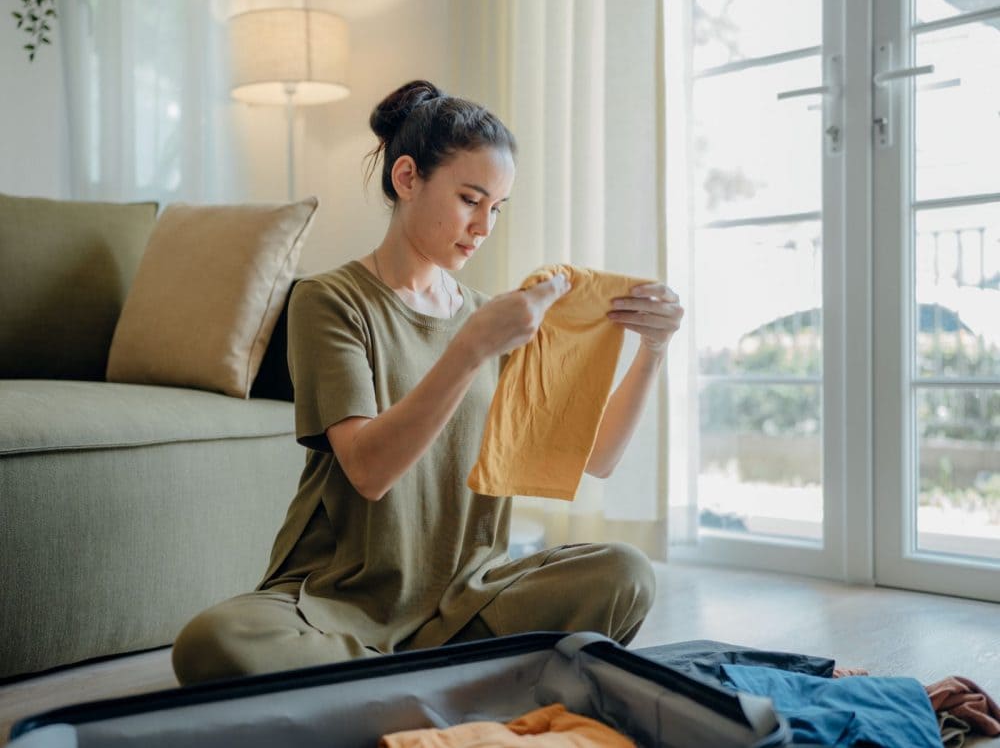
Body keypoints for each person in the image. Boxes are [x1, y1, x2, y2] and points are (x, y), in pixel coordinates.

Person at [171, 80, 684, 686]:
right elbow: (368, 468)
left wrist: (652, 348)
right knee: (213, 643)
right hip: (342, 605)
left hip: (470, 597)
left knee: (625, 573)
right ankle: (453, 682)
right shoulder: (329, 301)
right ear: (407, 178)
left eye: (497, 207)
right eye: (471, 199)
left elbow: (596, 459)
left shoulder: (491, 317)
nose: (484, 226)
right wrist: (470, 349)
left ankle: (397, 686)